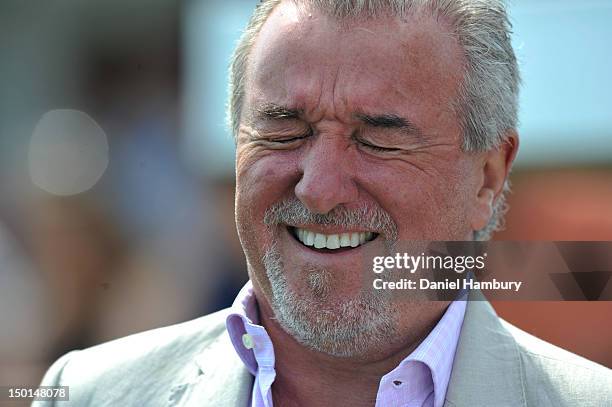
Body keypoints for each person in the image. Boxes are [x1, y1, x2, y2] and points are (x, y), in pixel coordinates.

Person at [36, 1, 611, 406]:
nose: (319, 186)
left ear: (487, 178)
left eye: (378, 138)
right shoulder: (89, 393)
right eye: (284, 131)